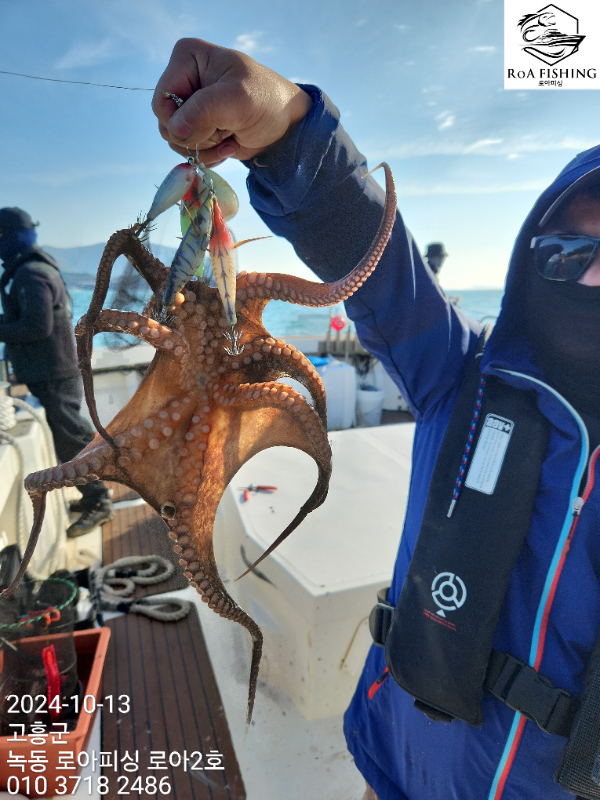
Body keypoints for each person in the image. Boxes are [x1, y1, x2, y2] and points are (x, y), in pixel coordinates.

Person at [153, 39, 600, 800]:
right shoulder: (460, 377)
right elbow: (382, 271)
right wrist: (290, 135)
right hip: (389, 755)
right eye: (566, 254)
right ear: (532, 265)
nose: (591, 278)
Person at [0, 208, 114, 537]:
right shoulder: (33, 268)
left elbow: (37, 326)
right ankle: (93, 495)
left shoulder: (30, 273)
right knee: (71, 437)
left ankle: (99, 501)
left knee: (72, 440)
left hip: (54, 373)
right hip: (53, 370)